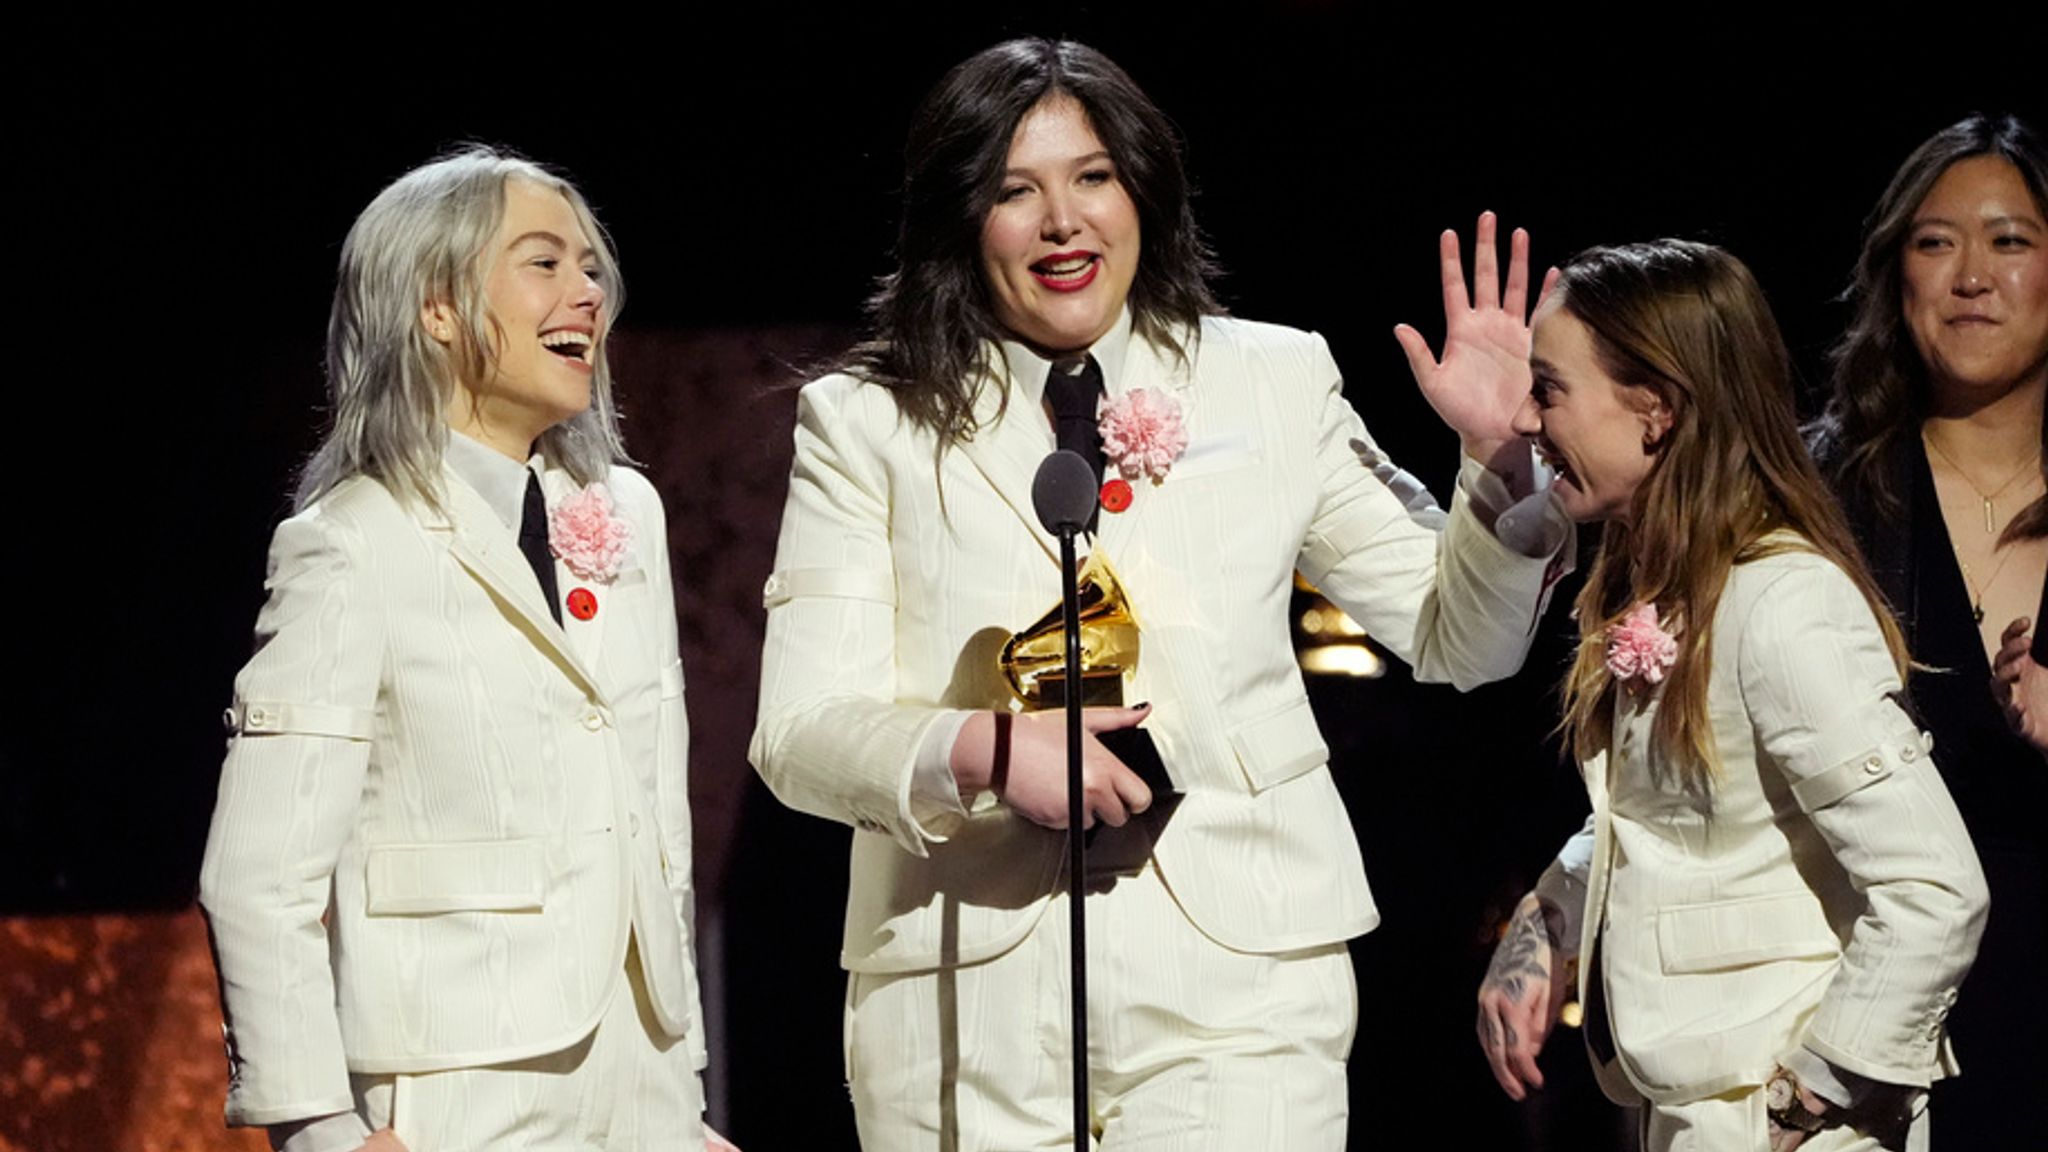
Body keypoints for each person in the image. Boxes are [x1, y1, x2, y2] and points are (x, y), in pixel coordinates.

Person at [749, 37, 1571, 1150]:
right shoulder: (866, 422)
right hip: (962, 985)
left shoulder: (1273, 379)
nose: (1062, 222)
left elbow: (1456, 640)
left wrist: (1494, 466)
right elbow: (799, 734)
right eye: (1012, 190)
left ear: (1142, 190)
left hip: (1241, 979)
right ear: (958, 218)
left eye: (1091, 177)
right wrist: (983, 751)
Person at [199, 148, 733, 1152]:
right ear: (436, 307)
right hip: (460, 1089)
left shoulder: (625, 515)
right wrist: (318, 1128)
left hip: (639, 1085)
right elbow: (258, 877)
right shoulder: (352, 543)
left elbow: (655, 825)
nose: (586, 293)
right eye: (543, 264)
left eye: (590, 268)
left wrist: (681, 1089)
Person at [1473, 239, 1989, 1150]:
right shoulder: (1677, 591)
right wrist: (1546, 918)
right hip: (1681, 1111)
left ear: (1657, 408)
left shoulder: (1784, 603)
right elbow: (1673, 814)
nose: (1524, 415)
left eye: (1549, 387)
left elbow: (1935, 888)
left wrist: (1807, 1100)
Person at [1807, 112, 2047, 1148]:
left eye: (2009, 240)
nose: (1968, 277)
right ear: (1892, 274)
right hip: (1873, 1025)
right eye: (1932, 241)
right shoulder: (1810, 494)